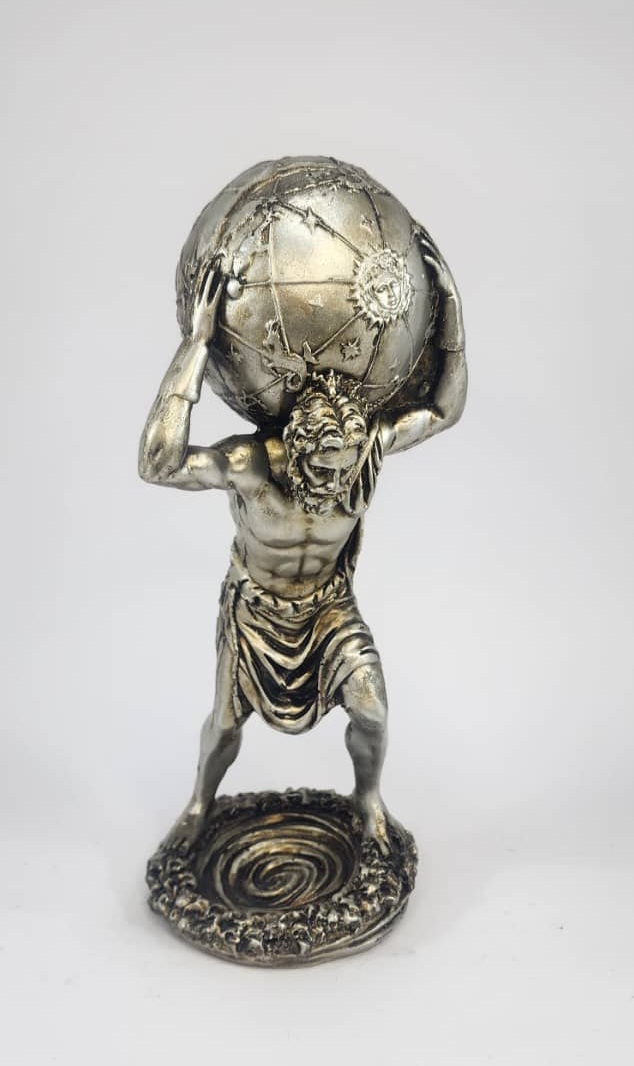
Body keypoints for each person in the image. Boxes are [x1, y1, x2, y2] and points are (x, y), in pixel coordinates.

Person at [139, 234, 467, 852]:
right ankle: (200, 801)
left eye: (344, 471)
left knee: (371, 708)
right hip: (255, 612)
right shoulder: (251, 465)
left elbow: (444, 409)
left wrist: (448, 308)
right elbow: (158, 463)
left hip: (329, 609)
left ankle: (367, 798)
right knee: (225, 726)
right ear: (297, 449)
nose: (334, 484)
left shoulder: (363, 452)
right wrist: (198, 344)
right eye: (321, 469)